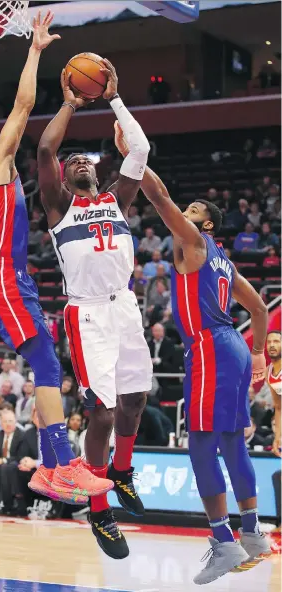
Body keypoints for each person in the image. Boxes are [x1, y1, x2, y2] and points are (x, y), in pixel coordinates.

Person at [0, 12, 112, 505]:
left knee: (46, 364)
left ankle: (55, 467)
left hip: (1, 282)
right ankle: (59, 466)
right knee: (45, 361)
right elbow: (23, 105)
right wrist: (36, 50)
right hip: (5, 280)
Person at [114, 121, 271, 582]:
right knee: (231, 442)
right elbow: (259, 308)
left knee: (200, 445)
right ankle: (254, 533)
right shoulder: (223, 257)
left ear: (202, 224)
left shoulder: (194, 243)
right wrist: (258, 354)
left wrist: (135, 156)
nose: (185, 209)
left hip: (210, 348)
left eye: (193, 208)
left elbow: (159, 197)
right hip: (235, 348)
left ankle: (223, 542)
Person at [37, 59, 152, 559]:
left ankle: (121, 472)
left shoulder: (117, 199)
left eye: (89, 160)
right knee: (101, 412)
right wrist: (69, 102)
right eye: (74, 162)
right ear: (64, 177)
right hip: (86, 314)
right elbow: (44, 148)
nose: (81, 163)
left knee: (136, 400)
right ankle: (99, 511)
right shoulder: (60, 207)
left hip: (125, 305)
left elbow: (142, 149)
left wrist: (115, 99)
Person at [266, 331, 281, 458]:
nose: (272, 345)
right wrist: (277, 438)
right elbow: (279, 407)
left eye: (276, 341)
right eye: (269, 342)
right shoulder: (268, 371)